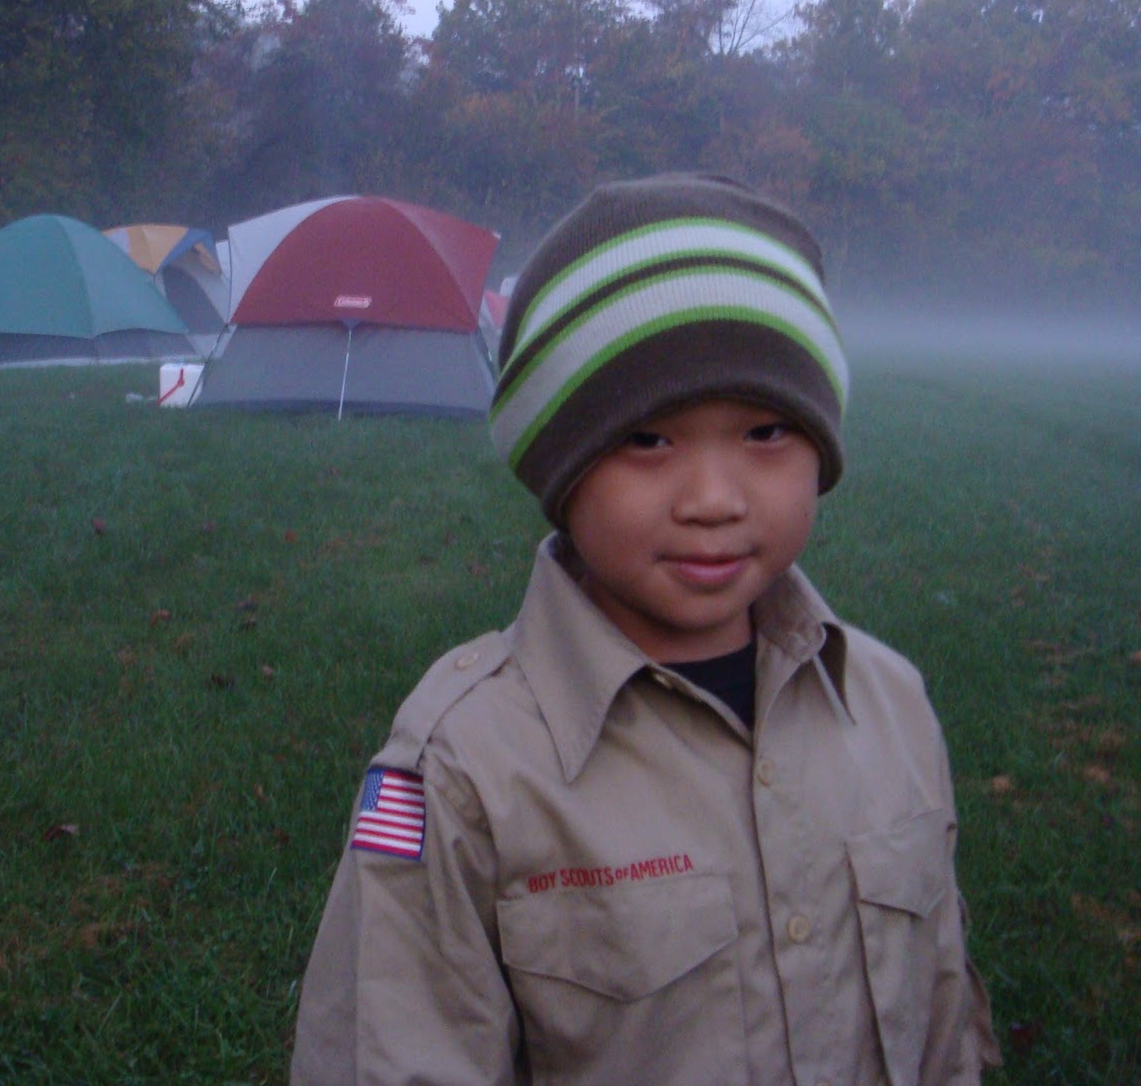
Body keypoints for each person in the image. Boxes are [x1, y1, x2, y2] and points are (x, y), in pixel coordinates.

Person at [289, 173, 999, 1085]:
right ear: (562, 464)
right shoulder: (461, 766)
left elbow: (940, 1011)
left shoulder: (890, 705)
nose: (713, 499)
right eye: (649, 441)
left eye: (767, 431)